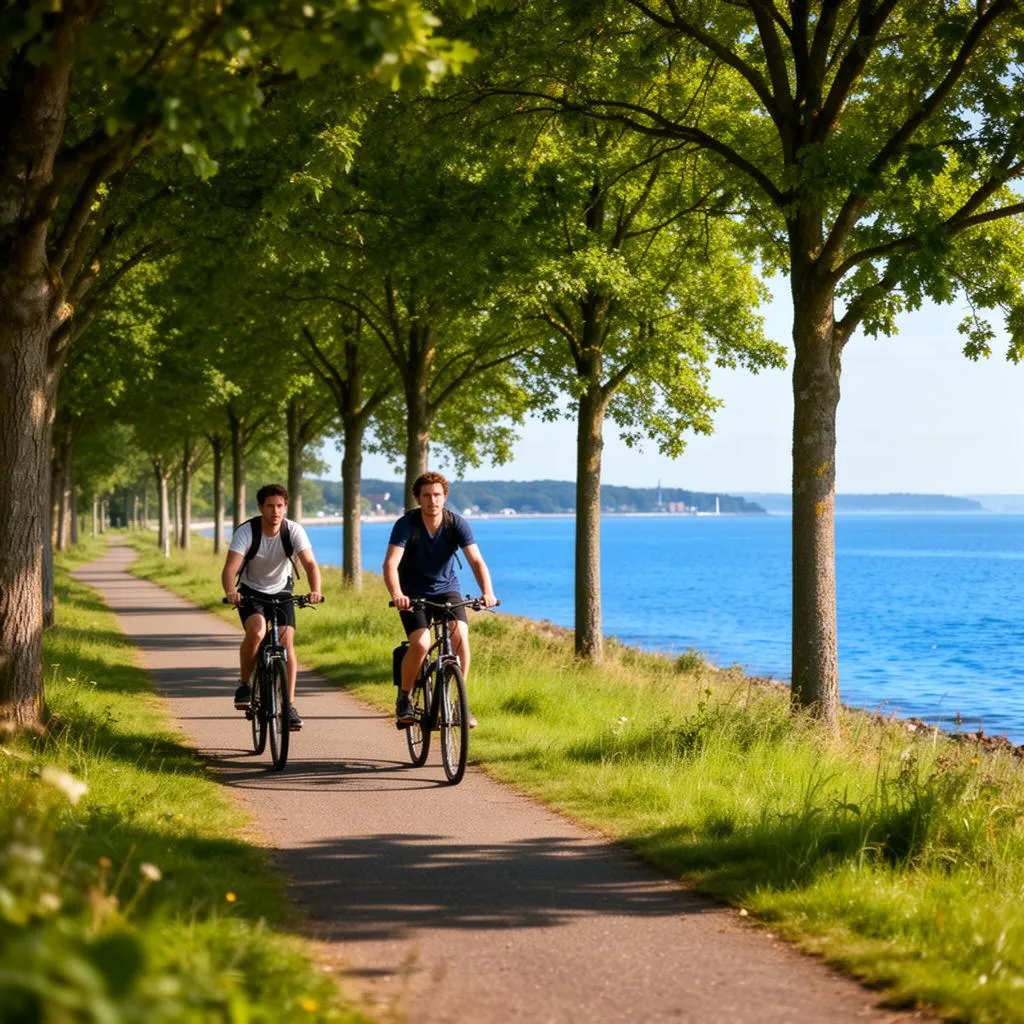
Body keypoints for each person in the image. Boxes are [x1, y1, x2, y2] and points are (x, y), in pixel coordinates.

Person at [383, 471, 498, 727]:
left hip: (447, 590)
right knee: (422, 644)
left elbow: (476, 561)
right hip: (412, 593)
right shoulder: (406, 524)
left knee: (460, 639)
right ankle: (405, 697)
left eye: (437, 495)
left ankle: (459, 705)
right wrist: (398, 594)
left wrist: (487, 592)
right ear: (418, 498)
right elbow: (390, 564)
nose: (432, 500)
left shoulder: (455, 523)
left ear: (445, 497)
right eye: (426, 495)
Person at [222, 484, 323, 730]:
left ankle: (288, 705)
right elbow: (230, 569)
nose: (275, 511)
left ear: (285, 507)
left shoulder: (293, 531)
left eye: (280, 506)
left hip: (282, 591)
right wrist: (231, 593)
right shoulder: (247, 532)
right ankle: (245, 684)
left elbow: (310, 564)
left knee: (286, 643)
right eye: (270, 506)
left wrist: (315, 590)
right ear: (261, 508)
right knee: (256, 632)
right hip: (251, 592)